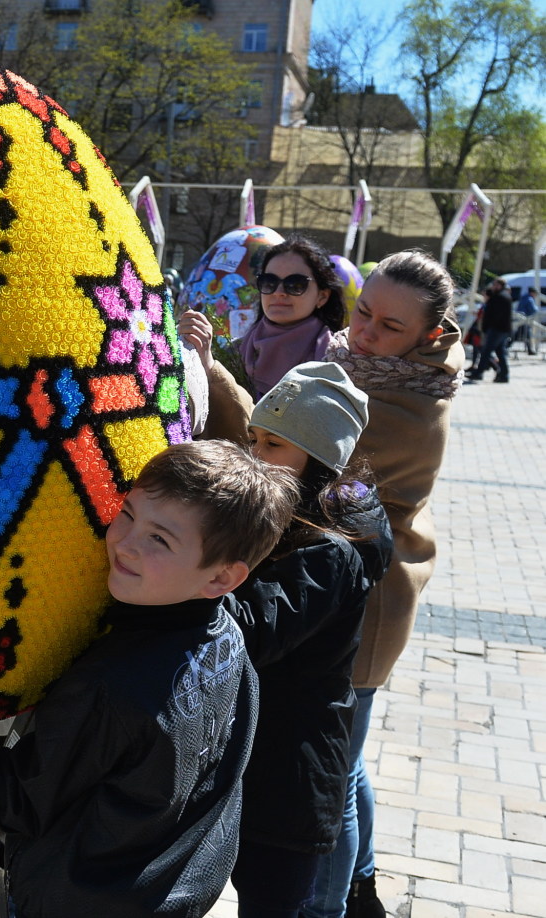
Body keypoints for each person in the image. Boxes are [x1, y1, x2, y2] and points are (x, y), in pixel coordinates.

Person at [0, 440, 301, 918]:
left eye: (159, 539)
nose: (124, 542)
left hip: (81, 897)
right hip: (170, 890)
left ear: (221, 578)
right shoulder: (228, 636)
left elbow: (21, 798)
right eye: (127, 513)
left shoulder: (113, 686)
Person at [186, 251, 461, 918]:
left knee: (329, 781)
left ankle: (329, 903)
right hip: (336, 587)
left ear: (429, 336)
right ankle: (358, 880)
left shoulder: (409, 406)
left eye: (389, 327)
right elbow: (277, 442)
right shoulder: (353, 364)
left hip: (363, 603)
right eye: (364, 311)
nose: (364, 332)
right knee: (342, 763)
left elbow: (287, 461)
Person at [225, 362, 393, 918]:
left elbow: (253, 629)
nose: (256, 455)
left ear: (319, 461)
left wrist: (192, 577)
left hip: (290, 772)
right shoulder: (282, 512)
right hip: (257, 756)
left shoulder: (330, 551)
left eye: (274, 443)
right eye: (252, 438)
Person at [232, 235, 346, 399]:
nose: (279, 292)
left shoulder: (339, 361)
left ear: (322, 296)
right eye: (269, 281)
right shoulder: (234, 352)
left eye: (296, 284)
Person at [467, 277, 511, 383]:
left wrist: (487, 327)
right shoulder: (501, 296)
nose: (493, 287)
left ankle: (479, 373)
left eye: (495, 285)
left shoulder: (500, 297)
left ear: (500, 286)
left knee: (486, 351)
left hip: (497, 329)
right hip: (500, 329)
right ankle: (504, 375)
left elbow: (494, 314)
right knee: (500, 353)